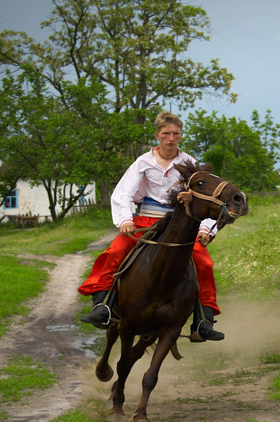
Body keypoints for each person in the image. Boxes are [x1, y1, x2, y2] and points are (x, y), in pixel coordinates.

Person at [78, 111, 224, 342]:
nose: (171, 138)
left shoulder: (190, 165)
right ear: (157, 135)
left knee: (203, 262)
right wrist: (125, 219)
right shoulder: (143, 162)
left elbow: (206, 200)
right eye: (166, 133)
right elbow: (123, 193)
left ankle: (203, 320)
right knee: (115, 251)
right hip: (145, 223)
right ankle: (103, 306)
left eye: (176, 133)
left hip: (179, 225)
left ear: (180, 135)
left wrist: (206, 229)